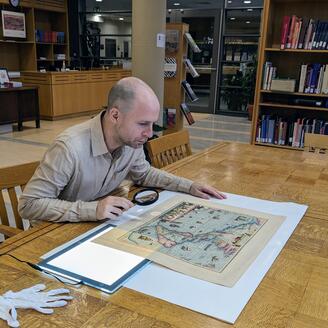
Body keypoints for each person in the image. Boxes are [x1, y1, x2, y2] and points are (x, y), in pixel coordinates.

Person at [18, 77, 226, 224]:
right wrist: (93, 210)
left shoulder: (130, 142)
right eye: (143, 123)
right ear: (115, 116)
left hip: (94, 227)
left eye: (152, 124)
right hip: (53, 233)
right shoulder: (69, 148)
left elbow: (143, 173)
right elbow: (28, 205)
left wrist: (189, 186)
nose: (149, 133)